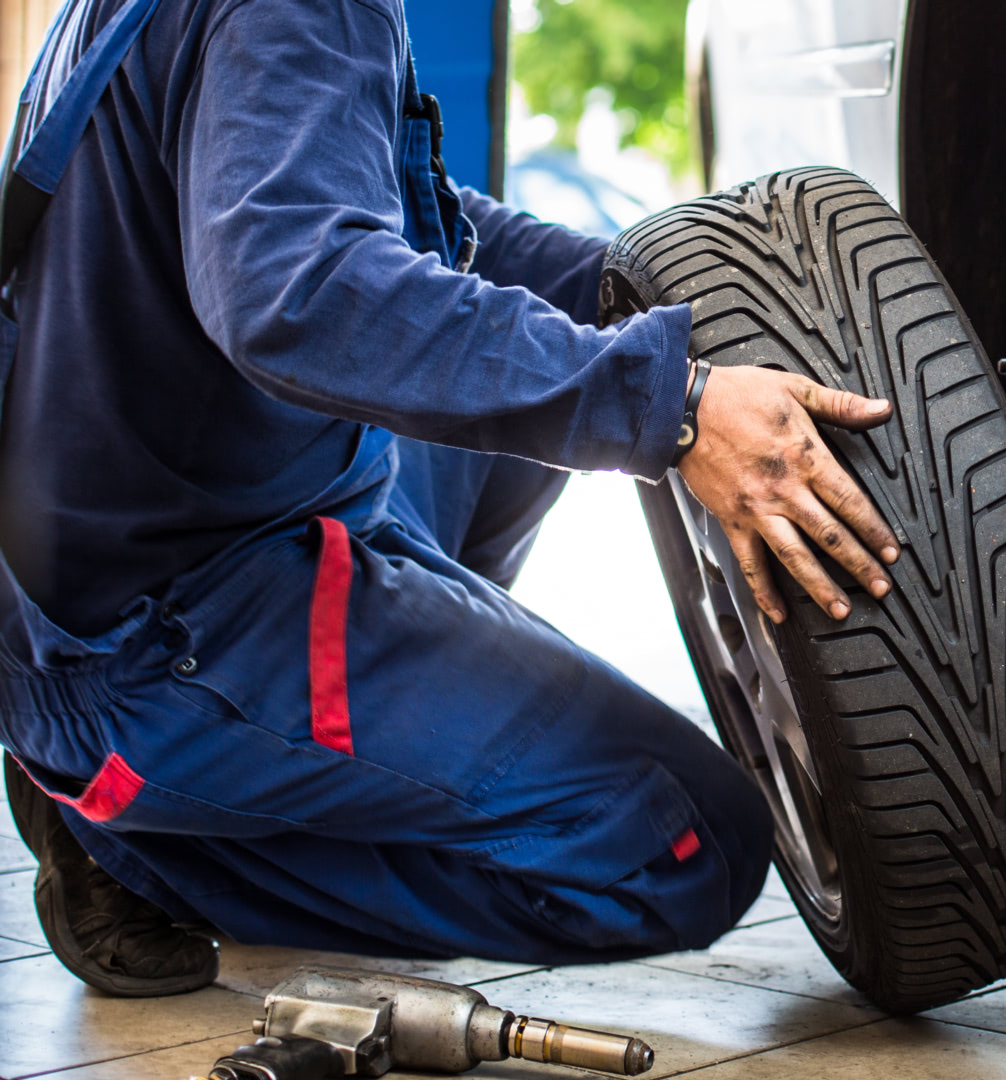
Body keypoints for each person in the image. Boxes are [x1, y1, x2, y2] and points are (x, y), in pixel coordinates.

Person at [0, 0, 898, 997]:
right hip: (165, 633)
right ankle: (139, 837)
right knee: (690, 840)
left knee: (513, 408)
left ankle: (349, 751)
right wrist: (673, 407)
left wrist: (631, 300)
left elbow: (406, 222)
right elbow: (300, 292)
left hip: (135, 549)